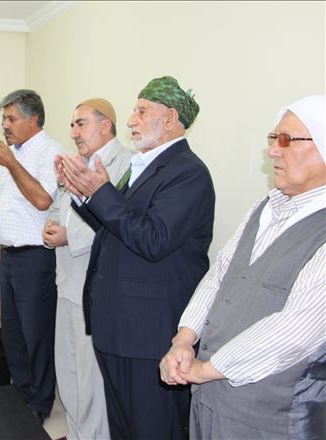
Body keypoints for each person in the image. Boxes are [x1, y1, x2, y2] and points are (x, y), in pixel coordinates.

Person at [160, 95, 325, 439]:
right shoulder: (265, 208)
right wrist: (184, 339)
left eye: (286, 140)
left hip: (268, 419)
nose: (273, 151)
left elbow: (293, 332)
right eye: (273, 138)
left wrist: (206, 369)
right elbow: (220, 275)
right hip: (210, 401)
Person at [59, 76, 215, 440]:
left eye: (142, 112)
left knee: (152, 428)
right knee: (124, 428)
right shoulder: (144, 165)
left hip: (148, 334)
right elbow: (117, 229)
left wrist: (101, 192)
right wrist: (84, 194)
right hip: (118, 327)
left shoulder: (188, 172)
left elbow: (153, 239)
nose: (131, 120)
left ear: (170, 118)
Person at [43, 98, 132, 440]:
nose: (73, 132)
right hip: (66, 279)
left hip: (93, 285)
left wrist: (69, 236)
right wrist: (51, 226)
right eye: (72, 125)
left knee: (90, 375)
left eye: (80, 124)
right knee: (67, 369)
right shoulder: (76, 163)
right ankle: (77, 433)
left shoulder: (126, 164)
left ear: (105, 125)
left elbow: (118, 221)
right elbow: (59, 206)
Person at [0, 89, 63, 424]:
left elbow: (43, 200)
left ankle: (41, 402)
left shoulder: (51, 152)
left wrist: (11, 163)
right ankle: (23, 392)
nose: (6, 125)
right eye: (4, 119)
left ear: (34, 119)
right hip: (8, 255)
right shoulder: (9, 153)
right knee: (12, 332)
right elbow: (2, 203)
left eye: (12, 119)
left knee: (36, 334)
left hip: (36, 258)